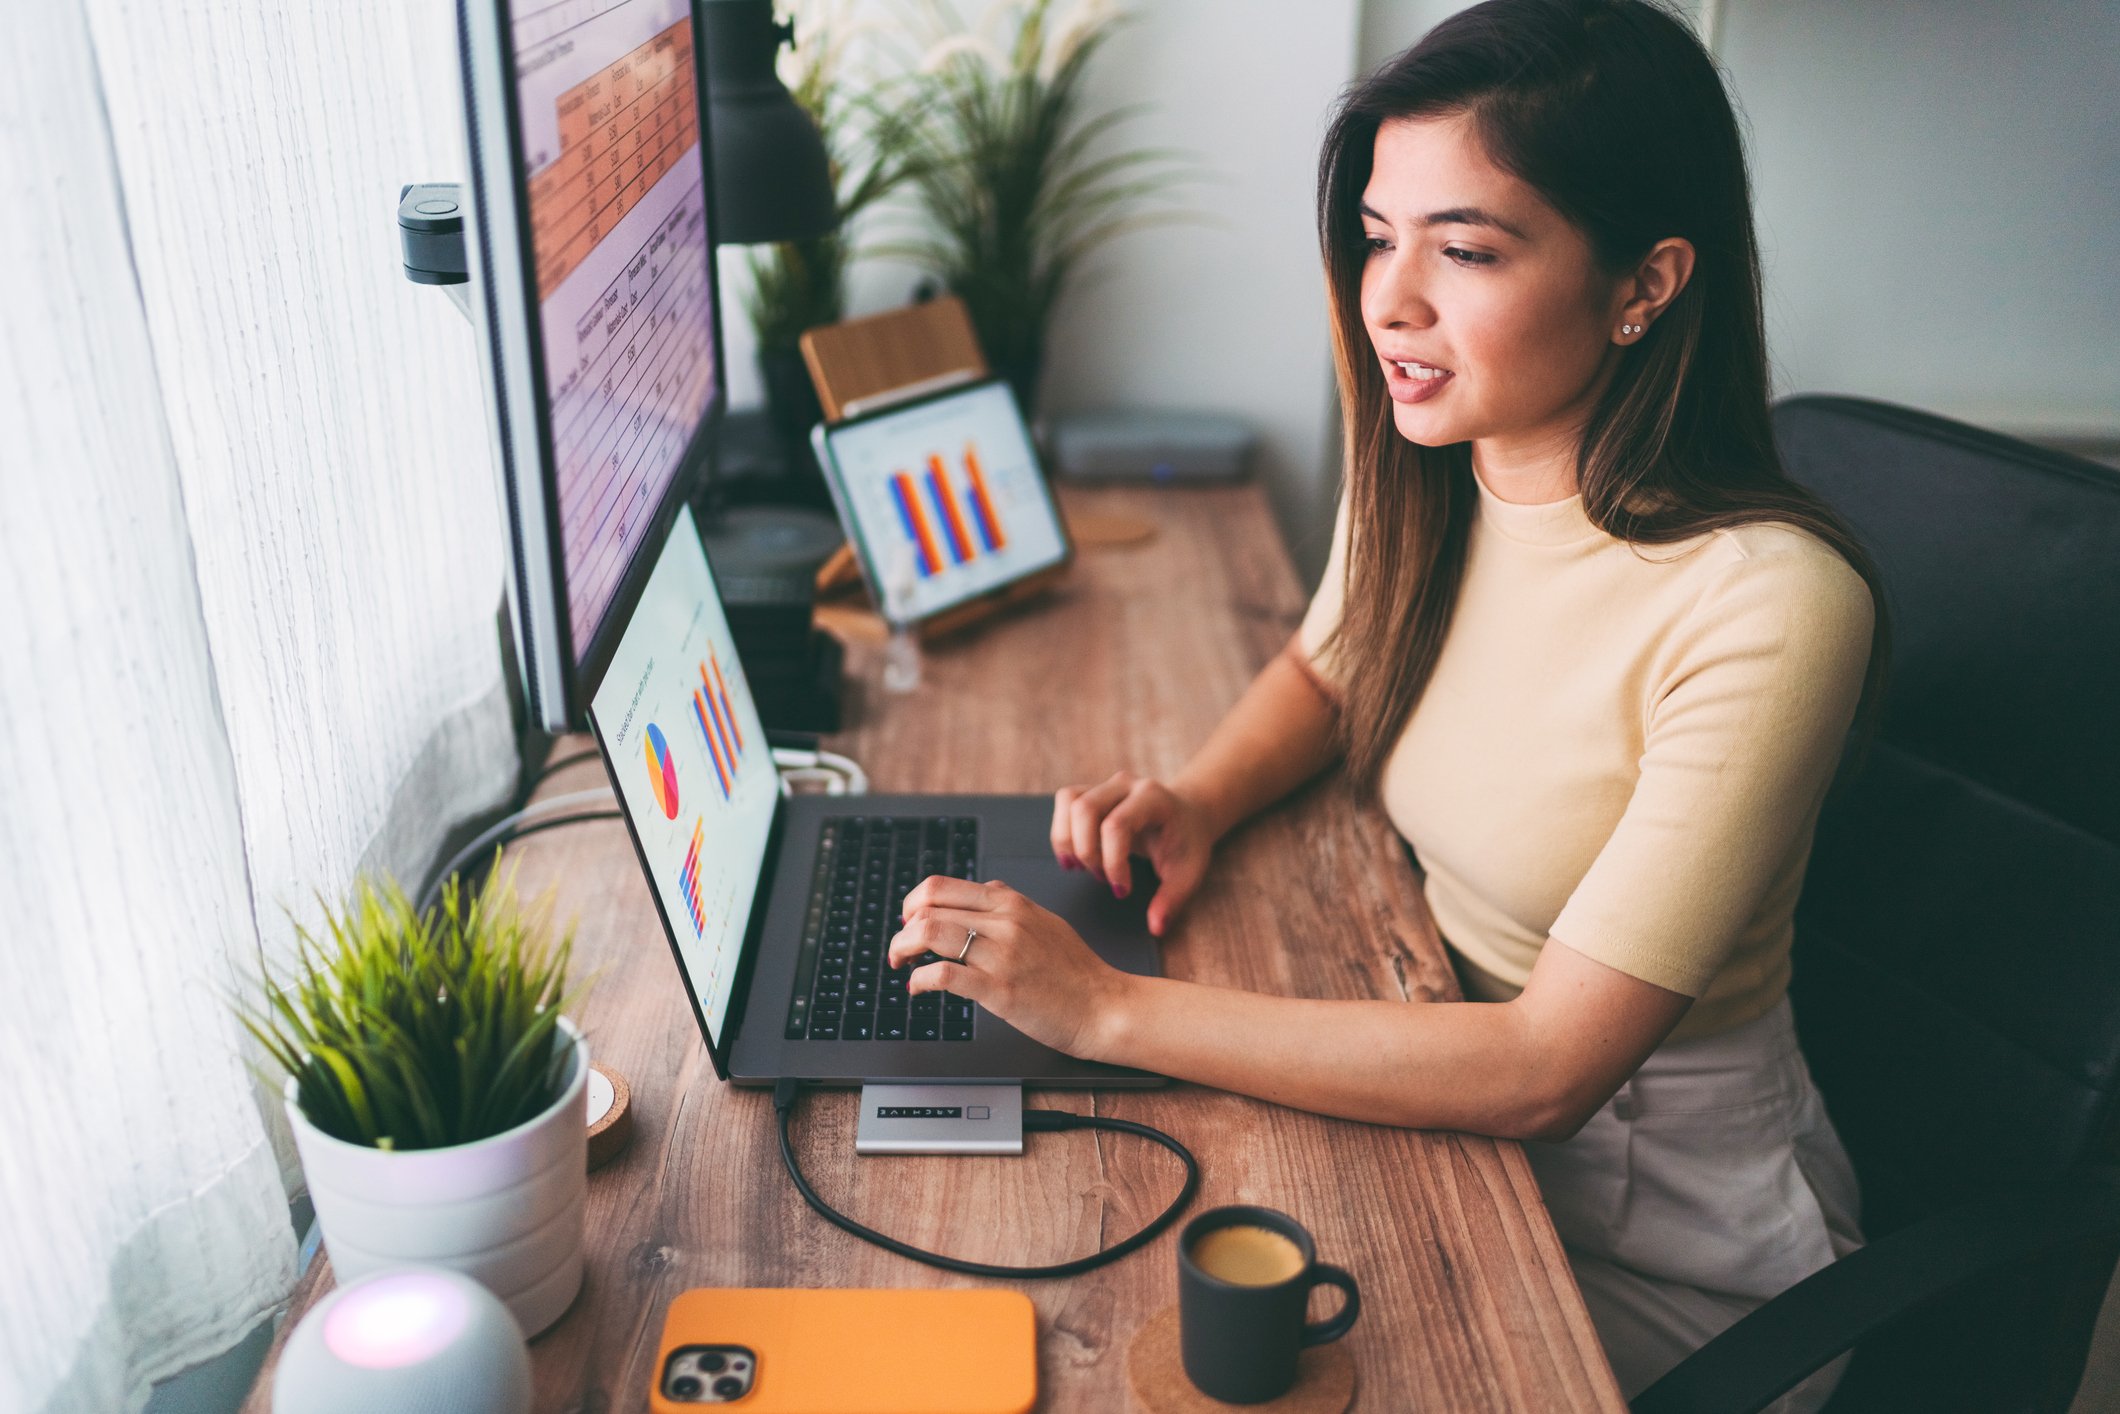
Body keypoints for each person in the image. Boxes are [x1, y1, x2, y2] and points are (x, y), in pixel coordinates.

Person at [887, 0, 1886, 1404]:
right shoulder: (1449, 450)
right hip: (1431, 1058)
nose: (1390, 299)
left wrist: (1109, 1010)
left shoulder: (1765, 604)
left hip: (1653, 1225)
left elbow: (1548, 1065)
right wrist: (1202, 796)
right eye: (1378, 233)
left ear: (1643, 284)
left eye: (1465, 249)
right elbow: (1329, 666)